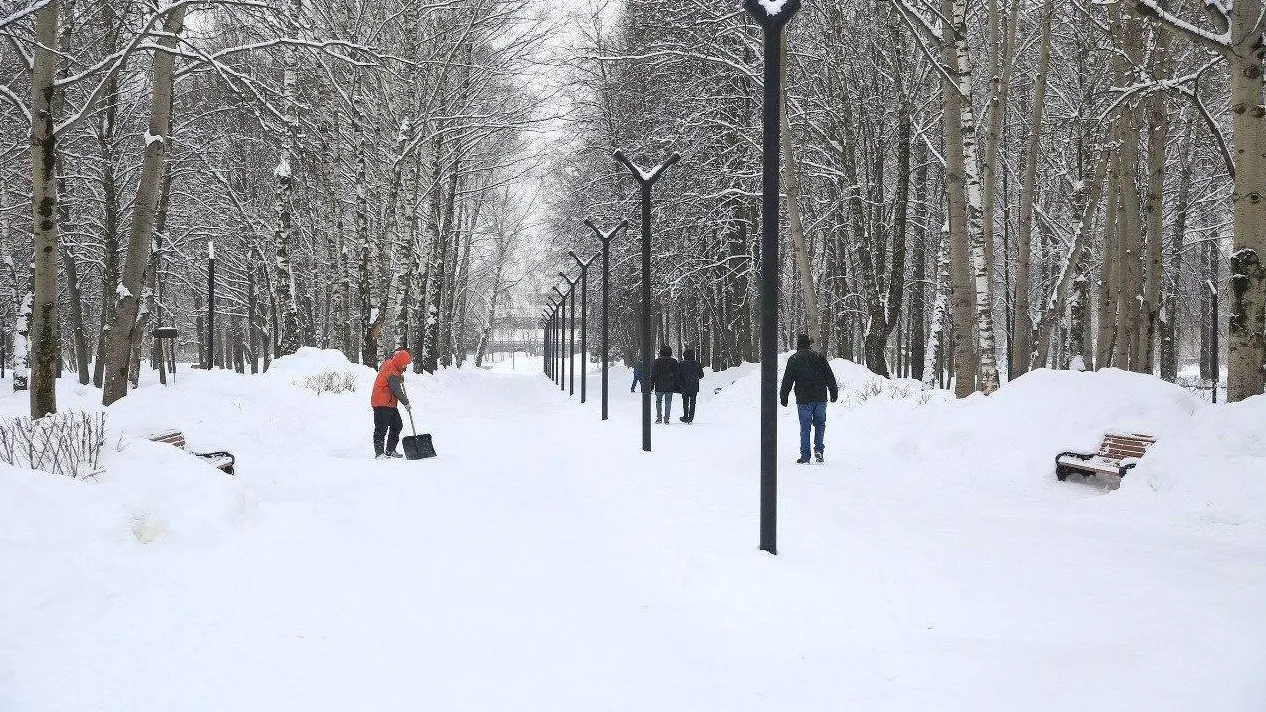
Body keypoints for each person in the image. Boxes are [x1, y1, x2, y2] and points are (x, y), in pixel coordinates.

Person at [779, 334, 838, 464]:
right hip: (820, 397)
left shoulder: (794, 359)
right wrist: (834, 391)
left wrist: (784, 396)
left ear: (798, 345)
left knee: (805, 427)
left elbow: (787, 379)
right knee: (820, 424)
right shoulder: (819, 357)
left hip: (804, 398)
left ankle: (805, 456)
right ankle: (819, 450)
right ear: (809, 344)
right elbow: (829, 376)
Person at [371, 348, 412, 459]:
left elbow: (383, 367)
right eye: (405, 365)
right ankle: (379, 453)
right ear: (400, 363)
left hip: (389, 403)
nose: (406, 367)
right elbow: (396, 390)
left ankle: (390, 450)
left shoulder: (390, 364)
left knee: (397, 425)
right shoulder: (392, 371)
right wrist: (406, 403)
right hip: (382, 401)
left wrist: (399, 378)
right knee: (381, 428)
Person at [649, 345, 679, 425]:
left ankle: (659, 418)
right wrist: (677, 385)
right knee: (668, 402)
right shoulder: (674, 361)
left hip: (659, 385)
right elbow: (676, 374)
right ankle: (666, 419)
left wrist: (651, 385)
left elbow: (653, 374)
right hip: (670, 385)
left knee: (658, 402)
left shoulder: (656, 361)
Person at [677, 348, 705, 423]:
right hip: (694, 386)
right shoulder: (697, 364)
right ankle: (691, 418)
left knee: (685, 401)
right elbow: (701, 375)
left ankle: (685, 416)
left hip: (684, 385)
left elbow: (678, 375)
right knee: (693, 402)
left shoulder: (681, 364)